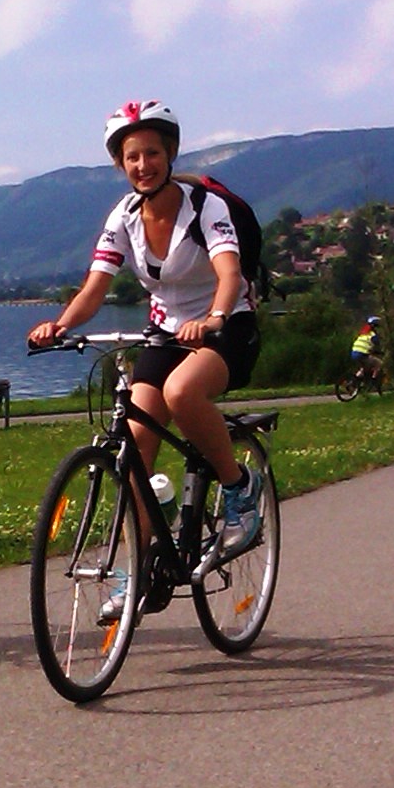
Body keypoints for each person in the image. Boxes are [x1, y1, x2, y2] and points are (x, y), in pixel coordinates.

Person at [27, 100, 264, 611]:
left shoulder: (206, 208)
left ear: (170, 153)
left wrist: (217, 317)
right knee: (134, 447)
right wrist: (61, 324)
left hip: (227, 326)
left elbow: (228, 273)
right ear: (120, 164)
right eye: (132, 157)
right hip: (165, 333)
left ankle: (240, 490)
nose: (143, 165)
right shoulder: (125, 216)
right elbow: (95, 288)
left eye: (153, 153)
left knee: (182, 392)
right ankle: (137, 568)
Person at [350, 314, 382, 388]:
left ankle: (354, 381)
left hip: (354, 353)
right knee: (379, 364)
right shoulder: (373, 335)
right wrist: (379, 351)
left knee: (364, 367)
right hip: (362, 354)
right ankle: (374, 380)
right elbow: (377, 344)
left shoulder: (362, 333)